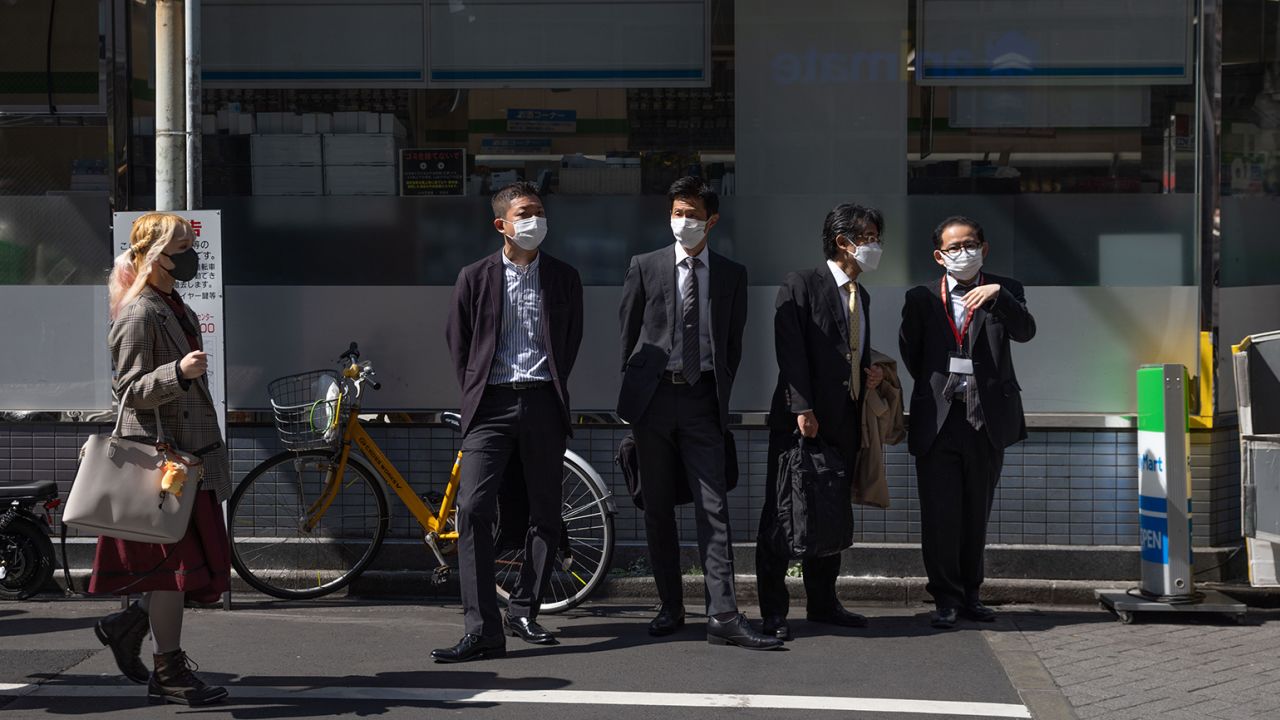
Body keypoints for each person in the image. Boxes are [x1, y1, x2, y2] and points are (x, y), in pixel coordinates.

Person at [618, 176, 781, 650]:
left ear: (711, 220)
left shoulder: (731, 273)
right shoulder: (645, 266)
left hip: (702, 399)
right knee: (657, 507)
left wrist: (717, 394)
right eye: (676, 212)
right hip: (652, 401)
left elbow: (733, 343)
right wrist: (630, 402)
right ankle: (669, 606)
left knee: (714, 507)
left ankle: (723, 613)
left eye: (691, 214)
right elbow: (626, 337)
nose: (682, 221)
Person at [435, 182, 584, 663]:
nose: (534, 221)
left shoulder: (563, 277)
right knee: (474, 508)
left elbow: (570, 340)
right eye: (524, 213)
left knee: (545, 512)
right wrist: (478, 390)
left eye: (540, 212)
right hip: (491, 406)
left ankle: (525, 609)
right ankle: (482, 628)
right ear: (501, 224)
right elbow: (459, 344)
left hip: (543, 401)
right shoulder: (474, 277)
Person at [92, 212, 230, 706]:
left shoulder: (174, 306)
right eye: (181, 246)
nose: (191, 255)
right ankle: (168, 671)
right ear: (156, 256)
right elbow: (128, 391)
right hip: (163, 465)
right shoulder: (141, 312)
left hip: (186, 459)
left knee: (182, 567)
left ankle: (128, 625)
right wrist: (178, 371)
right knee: (174, 572)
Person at [755, 203, 886, 641]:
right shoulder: (802, 284)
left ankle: (824, 602)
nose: (873, 245)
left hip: (845, 419)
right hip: (801, 421)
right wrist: (801, 408)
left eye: (875, 237)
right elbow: (789, 348)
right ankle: (774, 610)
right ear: (841, 240)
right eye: (866, 236)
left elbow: (851, 350)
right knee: (782, 513)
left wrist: (867, 372)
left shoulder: (861, 295)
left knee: (831, 511)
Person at [898, 216, 1036, 629]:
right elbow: (912, 353)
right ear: (939, 255)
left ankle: (971, 593)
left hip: (986, 418)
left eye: (971, 244)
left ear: (984, 248)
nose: (964, 253)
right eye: (954, 248)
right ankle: (944, 597)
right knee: (940, 514)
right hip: (940, 418)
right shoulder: (921, 296)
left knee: (977, 510)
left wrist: (998, 297)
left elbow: (1026, 331)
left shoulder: (1006, 289)